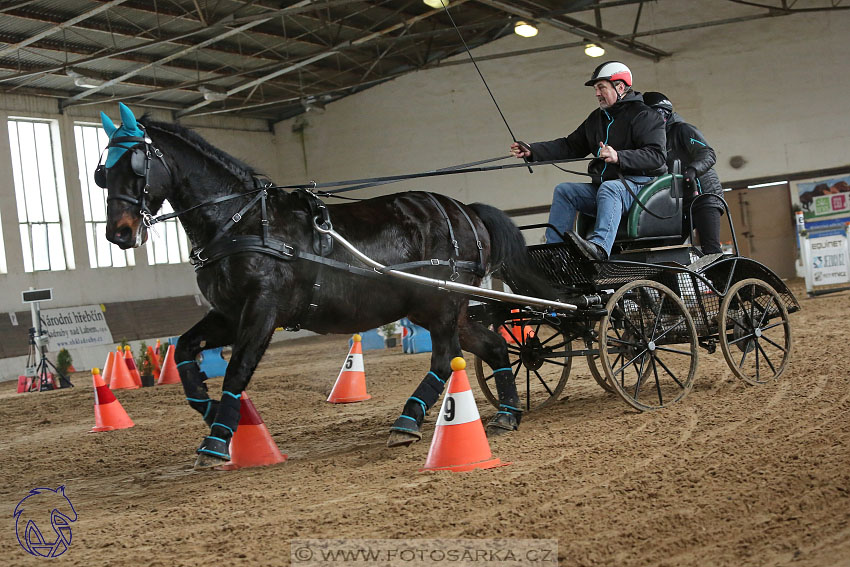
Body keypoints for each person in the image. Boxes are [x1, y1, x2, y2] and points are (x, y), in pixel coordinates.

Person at [510, 61, 667, 261]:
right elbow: (570, 146)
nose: (597, 94)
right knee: (564, 191)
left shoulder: (645, 116)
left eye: (601, 87)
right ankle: (554, 252)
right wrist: (532, 151)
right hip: (606, 189)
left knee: (611, 188)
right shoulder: (596, 119)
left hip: (640, 188)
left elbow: (657, 156)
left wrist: (619, 156)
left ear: (620, 87)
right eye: (595, 89)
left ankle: (599, 248)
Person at [642, 92, 725, 255]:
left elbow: (707, 153)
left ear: (663, 115)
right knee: (665, 251)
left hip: (704, 196)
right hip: (678, 203)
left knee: (711, 249)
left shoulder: (683, 130)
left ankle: (722, 280)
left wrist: (692, 170)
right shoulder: (654, 142)